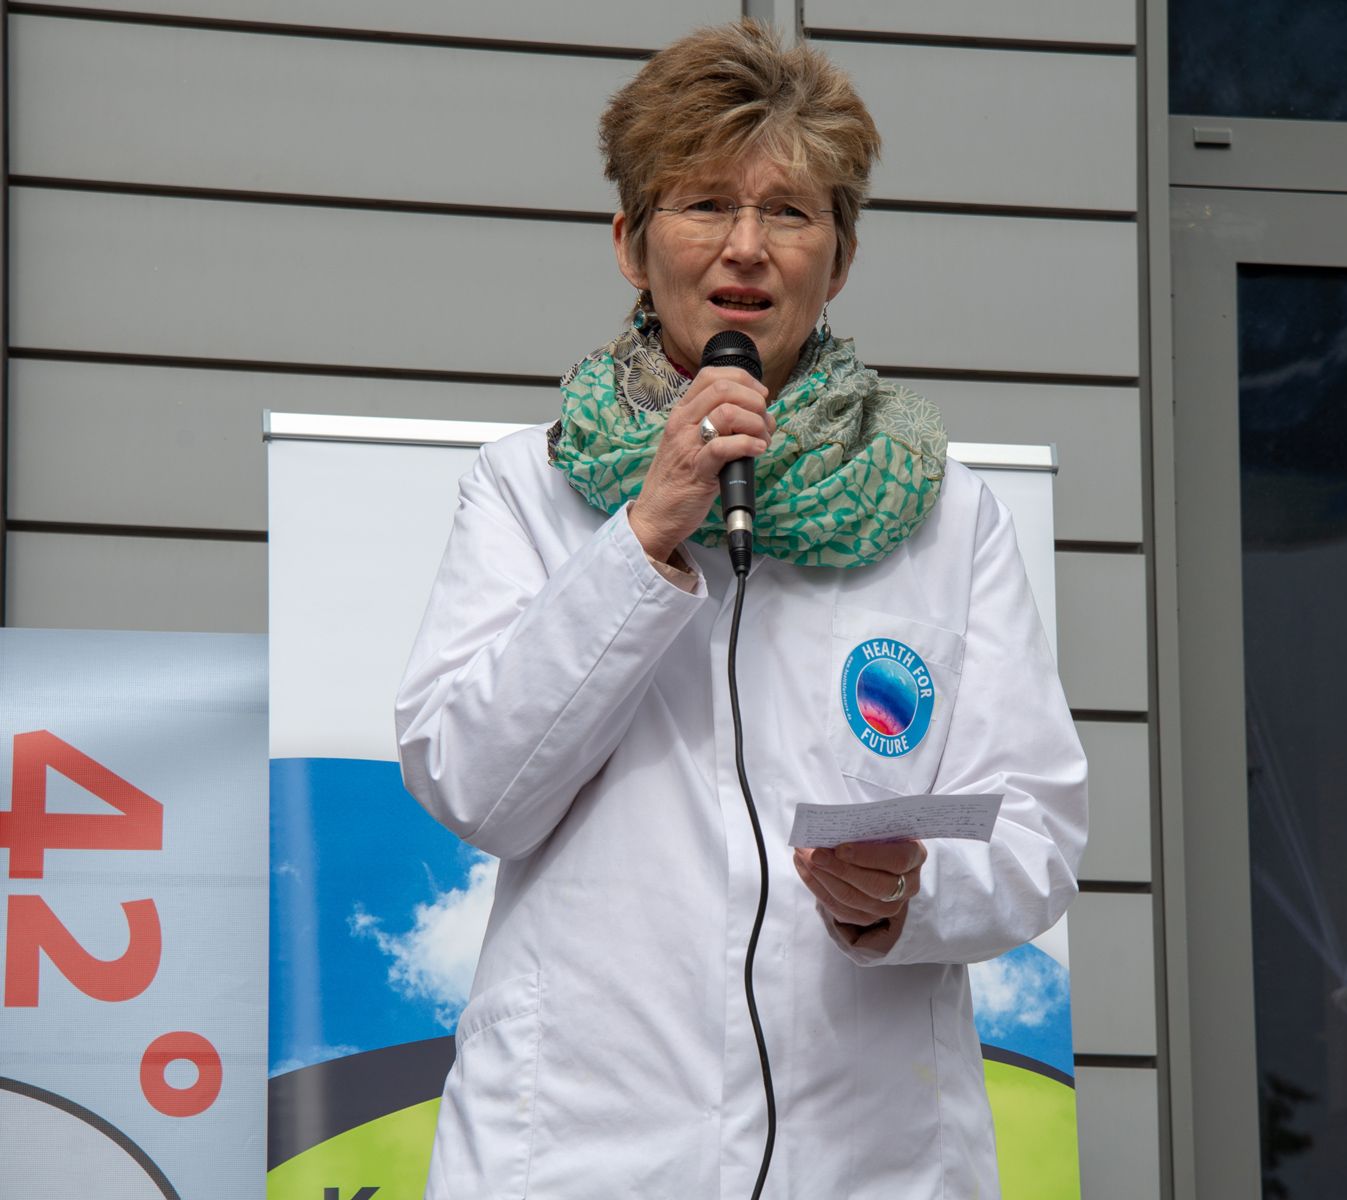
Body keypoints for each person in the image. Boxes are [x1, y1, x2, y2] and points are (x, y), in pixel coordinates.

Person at [396, 21, 1086, 1199]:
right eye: (706, 204)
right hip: (576, 1151)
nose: (747, 248)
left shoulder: (947, 513)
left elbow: (1033, 829)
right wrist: (643, 535)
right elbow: (475, 786)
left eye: (793, 213)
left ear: (843, 255)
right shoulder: (526, 487)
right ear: (630, 242)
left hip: (871, 1158)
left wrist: (911, 893)